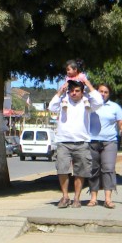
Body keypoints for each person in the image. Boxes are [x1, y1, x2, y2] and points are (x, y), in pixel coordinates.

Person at [49, 75, 103, 208]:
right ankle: (65, 196)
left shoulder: (87, 102)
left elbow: (99, 101)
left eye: (77, 90)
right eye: (71, 90)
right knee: (62, 169)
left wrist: (88, 84)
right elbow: (51, 107)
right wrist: (61, 91)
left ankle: (77, 198)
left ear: (82, 91)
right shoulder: (63, 101)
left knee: (81, 172)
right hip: (63, 142)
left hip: (81, 142)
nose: (74, 93)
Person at [86, 82, 122, 208]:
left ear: (109, 94)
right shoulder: (89, 105)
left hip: (110, 142)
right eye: (100, 91)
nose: (102, 94)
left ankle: (108, 199)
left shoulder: (115, 107)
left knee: (108, 169)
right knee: (93, 170)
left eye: (105, 92)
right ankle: (93, 198)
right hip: (92, 142)